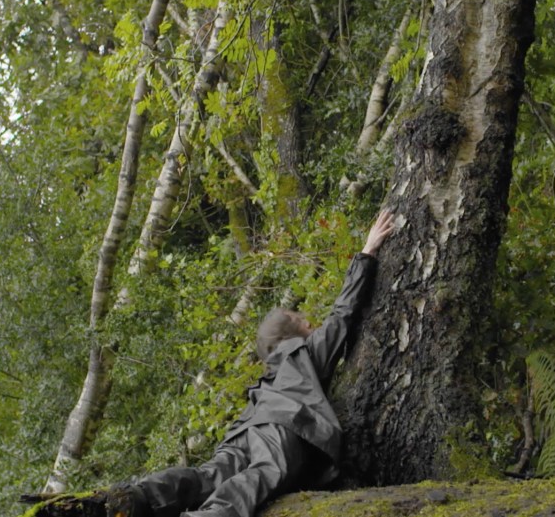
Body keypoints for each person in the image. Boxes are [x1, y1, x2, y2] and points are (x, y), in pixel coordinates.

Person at [75, 210, 396, 517]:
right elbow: (341, 317)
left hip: (241, 434)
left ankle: (137, 498)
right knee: (260, 476)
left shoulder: (265, 381)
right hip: (282, 427)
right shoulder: (299, 356)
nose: (312, 324)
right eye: (304, 322)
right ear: (291, 336)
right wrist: (366, 253)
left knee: (206, 476)